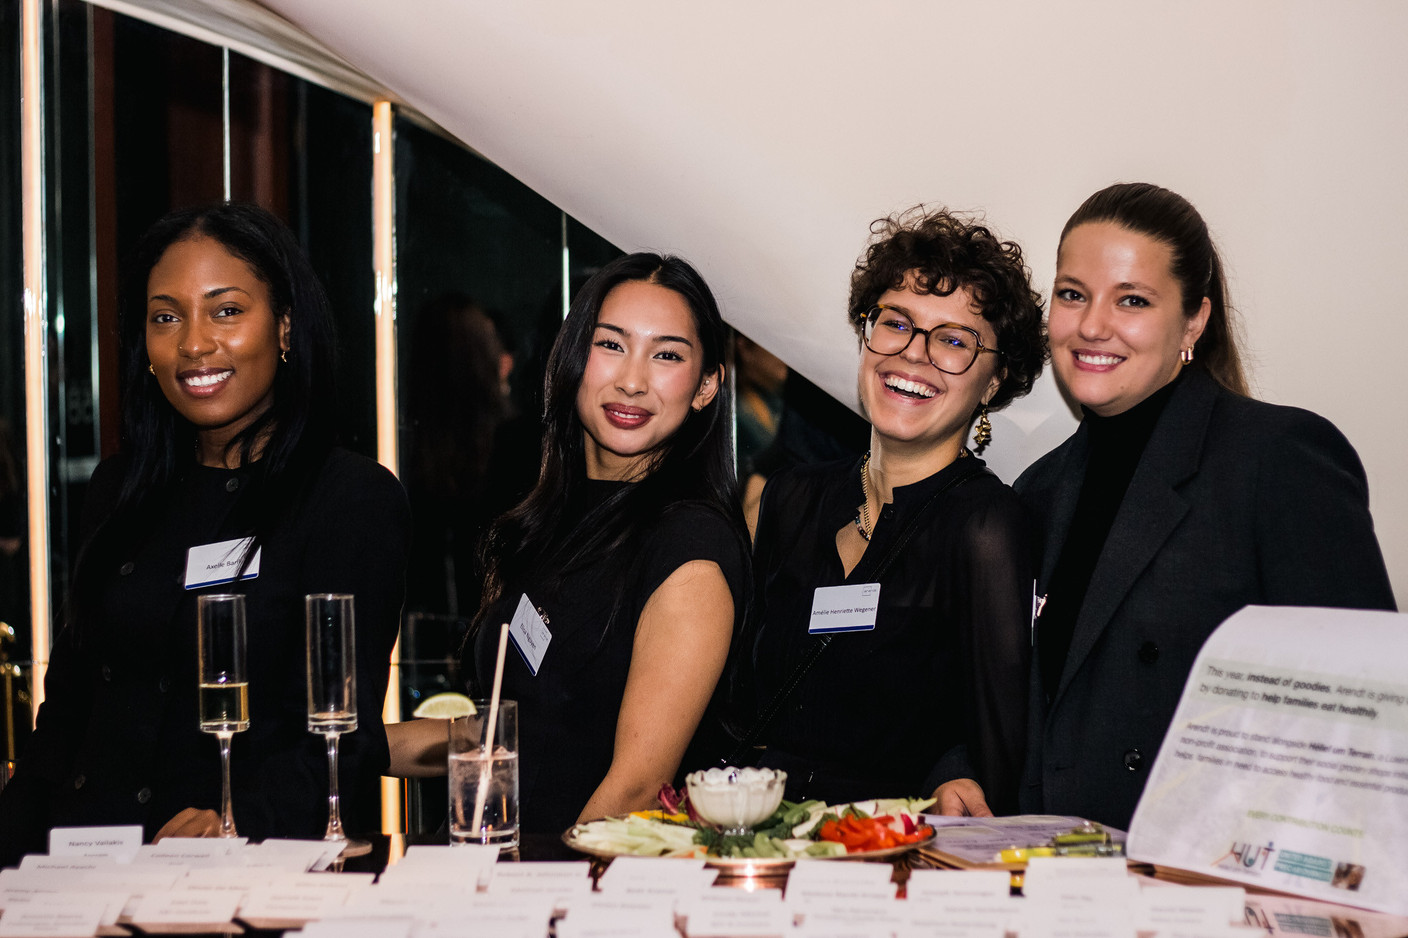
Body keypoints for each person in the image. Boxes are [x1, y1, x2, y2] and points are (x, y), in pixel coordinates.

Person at [0, 203, 410, 862]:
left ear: (284, 326)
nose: (193, 343)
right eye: (166, 317)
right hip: (82, 860)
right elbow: (67, 715)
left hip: (235, 863)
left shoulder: (347, 498)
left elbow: (341, 735)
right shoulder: (119, 488)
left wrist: (238, 820)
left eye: (226, 311)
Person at [1013, 182, 1396, 830]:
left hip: (1212, 870)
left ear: (1193, 321)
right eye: (1072, 294)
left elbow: (1362, 710)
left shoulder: (1277, 458)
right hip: (1054, 868)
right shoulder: (1038, 490)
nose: (1092, 325)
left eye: (1132, 300)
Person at [389, 252, 749, 835]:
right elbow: (505, 735)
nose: (632, 380)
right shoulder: (548, 521)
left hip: (570, 876)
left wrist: (528, 883)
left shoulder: (690, 551)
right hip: (489, 858)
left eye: (666, 355)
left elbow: (636, 791)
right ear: (573, 357)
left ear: (707, 386)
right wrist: (340, 745)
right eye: (611, 345)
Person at [730, 206, 1045, 814]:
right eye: (896, 323)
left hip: (883, 852)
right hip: (759, 839)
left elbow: (998, 760)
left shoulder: (985, 528)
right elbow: (744, 696)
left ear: (993, 382)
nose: (913, 354)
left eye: (953, 340)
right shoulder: (792, 496)